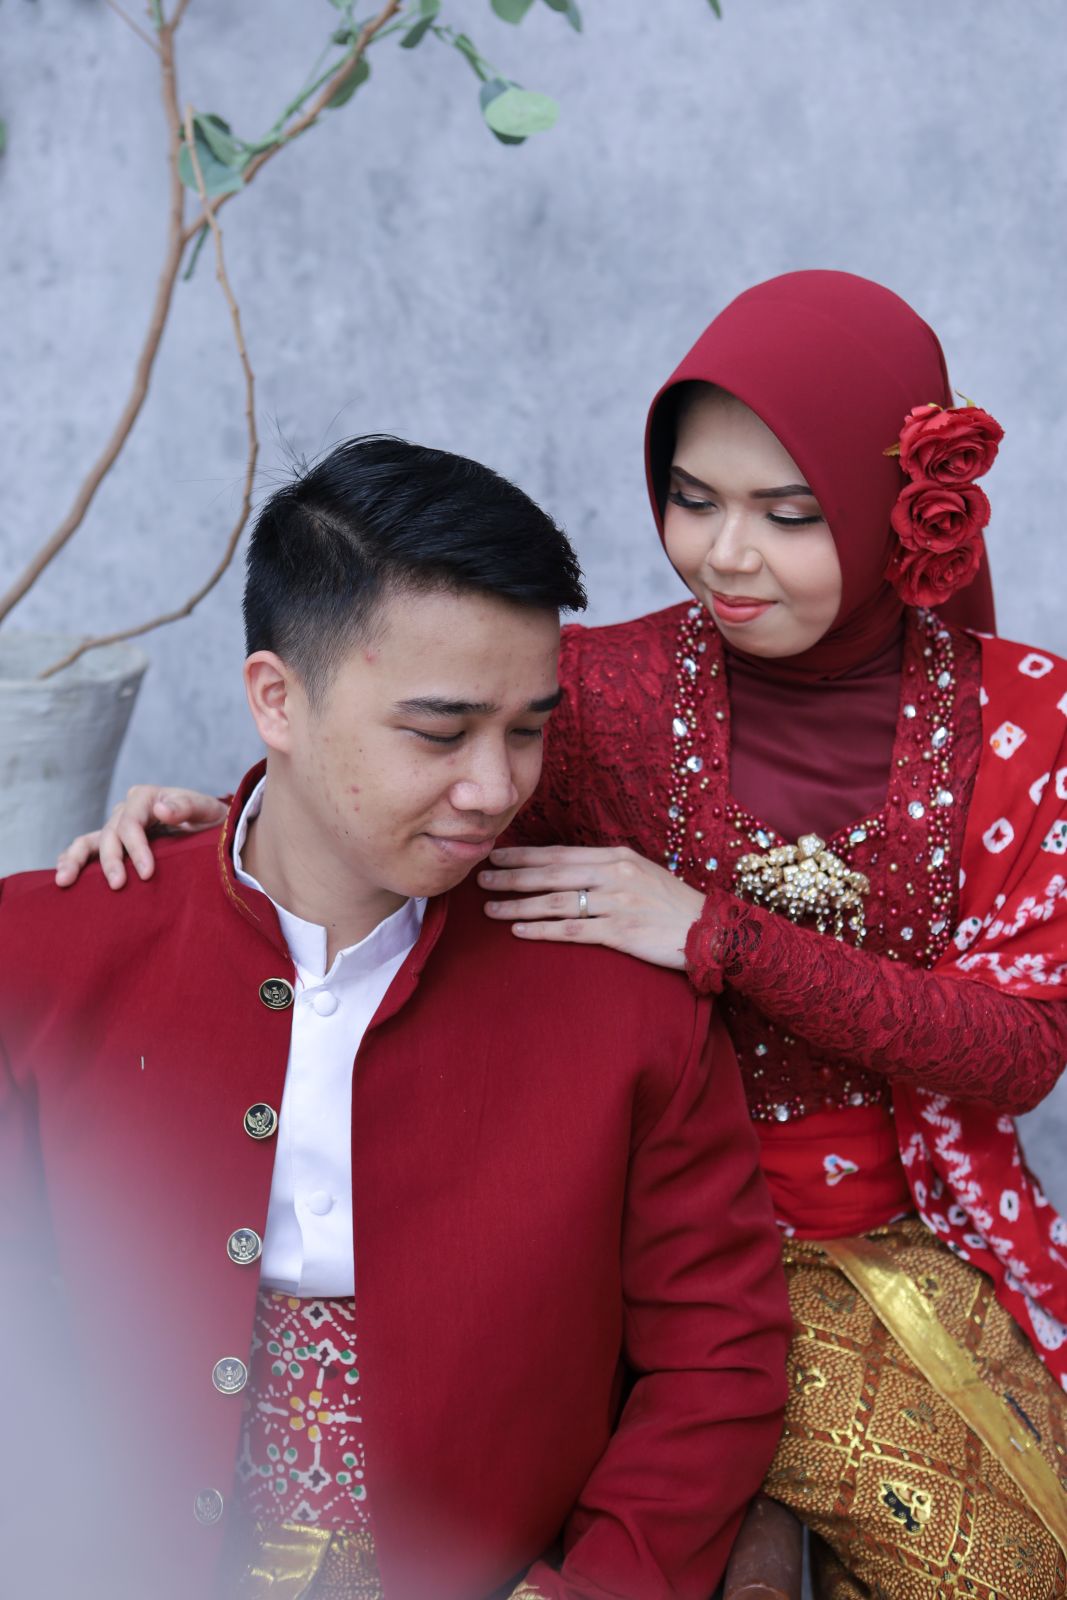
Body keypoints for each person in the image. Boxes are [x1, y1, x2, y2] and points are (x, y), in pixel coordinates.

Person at [76, 274, 1067, 1596]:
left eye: (788, 514)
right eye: (691, 500)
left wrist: (715, 935)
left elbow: (1018, 1052)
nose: (724, 556)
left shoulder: (1024, 718)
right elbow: (397, 785)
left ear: (902, 507)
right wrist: (230, 816)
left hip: (889, 1237)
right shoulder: (600, 689)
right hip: (602, 1230)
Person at [0, 437, 791, 1600]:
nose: (494, 787)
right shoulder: (44, 951)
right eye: (439, 731)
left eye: (527, 728)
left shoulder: (622, 996)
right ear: (276, 698)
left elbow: (717, 1357)